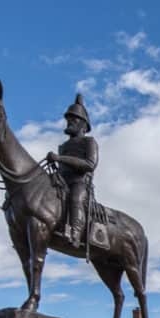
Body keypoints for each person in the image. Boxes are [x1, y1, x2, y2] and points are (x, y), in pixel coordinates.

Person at [47, 94, 98, 248]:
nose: (69, 121)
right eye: (68, 118)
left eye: (74, 119)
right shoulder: (63, 146)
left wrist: (60, 159)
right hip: (62, 181)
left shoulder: (89, 142)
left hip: (80, 182)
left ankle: (75, 234)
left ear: (83, 124)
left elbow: (90, 164)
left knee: (76, 198)